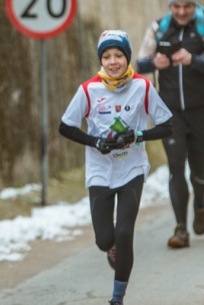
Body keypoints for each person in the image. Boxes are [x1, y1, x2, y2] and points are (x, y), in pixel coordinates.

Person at [59, 30, 172, 305]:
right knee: (104, 239)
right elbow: (65, 126)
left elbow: (167, 126)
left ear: (127, 57)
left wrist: (137, 136)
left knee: (124, 233)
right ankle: (110, 249)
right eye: (107, 56)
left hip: (132, 168)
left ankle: (117, 298)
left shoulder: (142, 86)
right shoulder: (88, 90)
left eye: (118, 55)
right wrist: (95, 141)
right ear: (101, 60)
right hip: (99, 171)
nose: (113, 61)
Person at [135, 0, 204, 249]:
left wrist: (193, 60)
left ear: (194, 5)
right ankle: (181, 228)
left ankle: (199, 202)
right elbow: (139, 63)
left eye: (187, 6)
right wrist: (155, 63)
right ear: (170, 6)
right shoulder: (158, 28)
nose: (182, 11)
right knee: (176, 168)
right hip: (169, 110)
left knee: (198, 167)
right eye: (176, 6)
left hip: (201, 108)